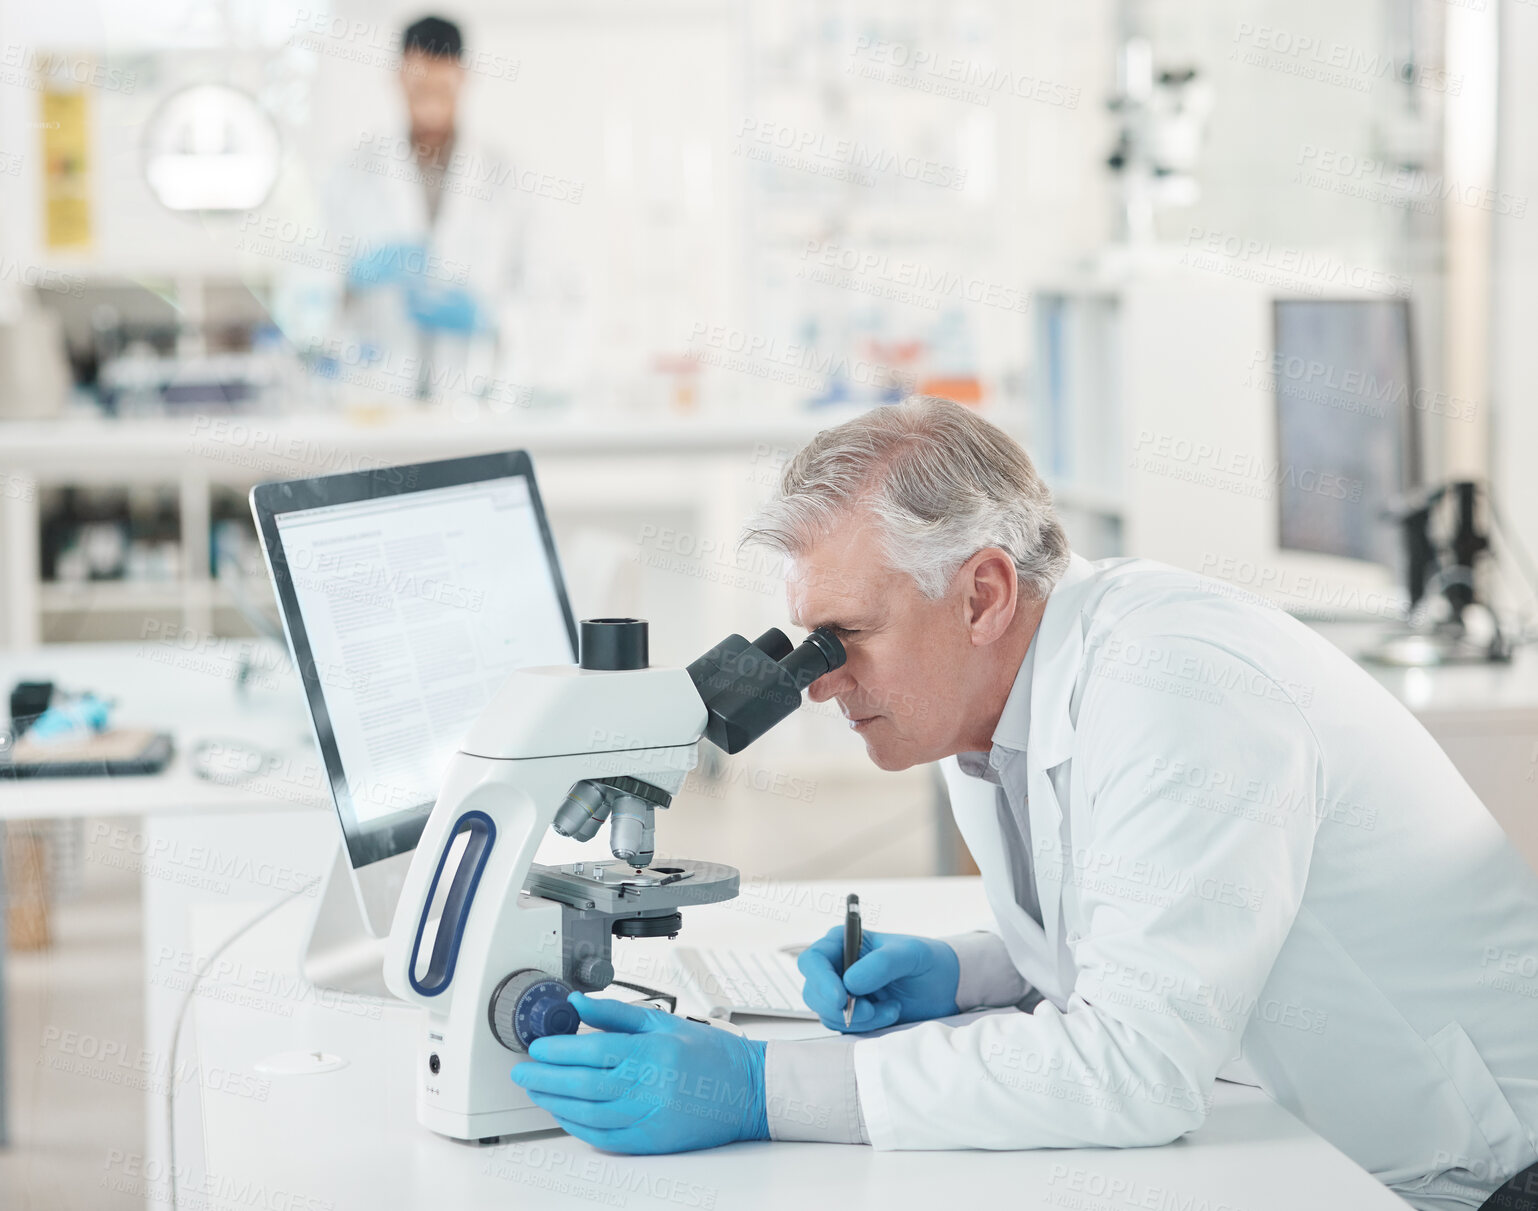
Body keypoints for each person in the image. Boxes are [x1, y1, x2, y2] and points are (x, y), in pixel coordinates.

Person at [510, 396, 1538, 1211]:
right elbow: (1160, 913)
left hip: (1482, 1174)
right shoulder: (993, 703)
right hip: (1306, 1133)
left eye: (844, 637)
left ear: (983, 593)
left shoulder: (1175, 687)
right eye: (804, 641)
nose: (816, 682)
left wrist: (759, 1087)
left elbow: (1134, 1066)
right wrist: (969, 969)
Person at [283, 16, 575, 407]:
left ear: (463, 79)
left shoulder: (507, 179)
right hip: (373, 400)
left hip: (476, 398)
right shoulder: (351, 176)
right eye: (419, 88)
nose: (431, 106)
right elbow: (303, 293)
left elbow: (549, 294)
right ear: (399, 78)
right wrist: (351, 279)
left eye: (442, 89)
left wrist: (491, 316)